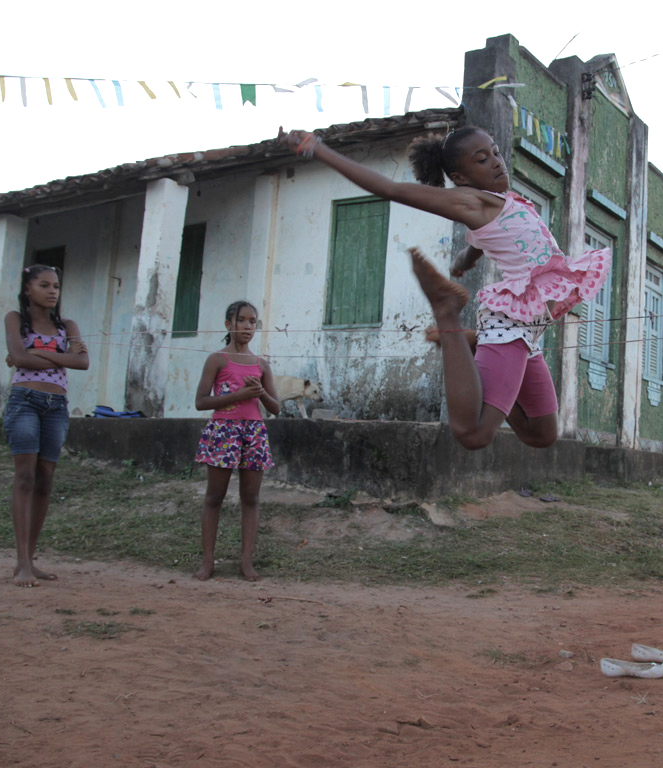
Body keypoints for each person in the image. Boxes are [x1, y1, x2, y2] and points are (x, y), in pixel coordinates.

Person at [280, 126, 611, 451]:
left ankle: (470, 343)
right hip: (511, 324)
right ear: (461, 177)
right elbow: (389, 189)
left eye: (496, 153)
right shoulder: (469, 201)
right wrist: (318, 148)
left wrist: (464, 260)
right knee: (472, 434)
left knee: (542, 434)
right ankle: (447, 313)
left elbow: (483, 239)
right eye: (482, 159)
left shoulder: (502, 202)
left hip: (531, 329)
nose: (497, 162)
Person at [3, 264, 89, 587]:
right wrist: (56, 354)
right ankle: (22, 562)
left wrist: (37, 350)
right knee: (24, 476)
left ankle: (30, 559)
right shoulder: (15, 319)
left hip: (57, 406)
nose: (52, 291)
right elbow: (18, 357)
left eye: (56, 286)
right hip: (25, 400)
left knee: (45, 480)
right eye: (44, 285)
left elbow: (82, 362)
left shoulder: (67, 325)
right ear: (28, 289)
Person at [193, 300, 280, 581]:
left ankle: (246, 563)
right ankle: (208, 562)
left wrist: (259, 394)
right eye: (241, 320)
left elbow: (276, 408)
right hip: (223, 430)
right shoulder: (217, 360)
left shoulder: (262, 364)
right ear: (228, 324)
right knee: (214, 497)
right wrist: (237, 396)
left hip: (253, 432)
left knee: (251, 498)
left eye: (252, 321)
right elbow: (201, 402)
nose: (247, 326)